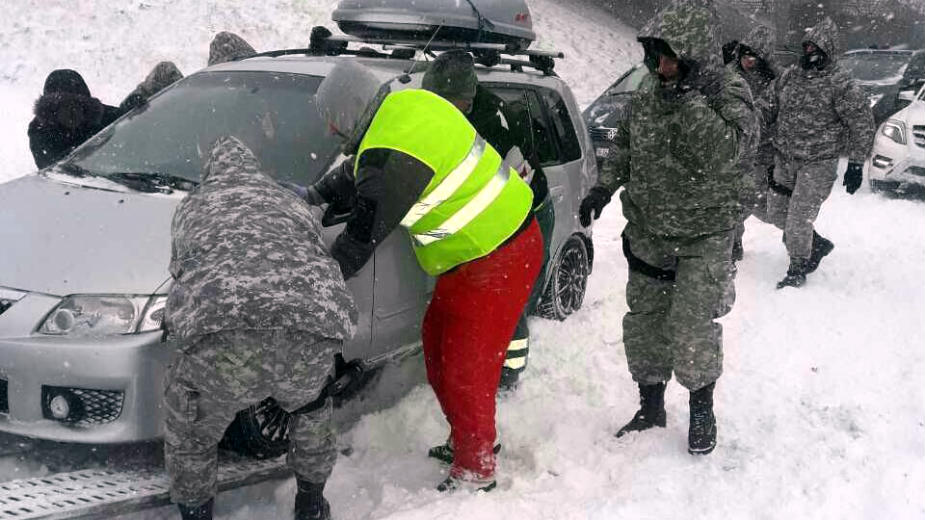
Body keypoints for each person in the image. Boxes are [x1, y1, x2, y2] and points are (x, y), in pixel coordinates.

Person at [290, 59, 542, 491]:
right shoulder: (404, 110)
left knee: (466, 366)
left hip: (499, 252)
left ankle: (476, 469)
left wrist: (308, 288)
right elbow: (359, 170)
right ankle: (469, 438)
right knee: (438, 346)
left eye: (333, 122)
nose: (331, 132)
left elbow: (358, 241)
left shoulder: (391, 156)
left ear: (350, 110)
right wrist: (314, 195)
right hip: (474, 254)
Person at [578, 2, 758, 455]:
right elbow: (626, 144)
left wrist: (689, 100)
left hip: (705, 234)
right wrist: (603, 187)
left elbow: (728, 151)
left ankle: (701, 409)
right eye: (655, 57)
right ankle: (651, 405)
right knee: (645, 322)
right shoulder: (648, 92)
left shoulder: (728, 92)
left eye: (671, 57)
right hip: (649, 229)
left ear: (694, 55)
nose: (661, 68)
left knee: (691, 324)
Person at [163, 132, 357, 520]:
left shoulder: (193, 206)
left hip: (223, 338)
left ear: (211, 172)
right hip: (311, 326)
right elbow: (309, 251)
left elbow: (182, 269)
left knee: (192, 432)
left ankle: (196, 514)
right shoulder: (288, 201)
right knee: (312, 409)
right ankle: (311, 502)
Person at [418, 50, 554, 392]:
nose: (442, 110)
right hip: (497, 214)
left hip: (526, 216)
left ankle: (508, 373)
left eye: (450, 102)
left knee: (509, 302)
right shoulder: (445, 112)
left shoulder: (493, 124)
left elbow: (486, 191)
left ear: (467, 98)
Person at [768, 17, 875, 288]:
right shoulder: (789, 76)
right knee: (777, 212)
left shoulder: (841, 84)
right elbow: (766, 106)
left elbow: (861, 123)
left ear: (828, 51)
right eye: (807, 48)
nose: (810, 54)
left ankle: (797, 267)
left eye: (816, 49)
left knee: (798, 218)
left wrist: (855, 164)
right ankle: (816, 245)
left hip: (819, 163)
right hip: (785, 158)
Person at [28, 63, 181, 169]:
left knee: (165, 70)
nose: (71, 112)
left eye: (77, 105)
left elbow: (120, 118)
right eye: (63, 107)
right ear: (51, 111)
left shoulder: (95, 114)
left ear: (86, 105)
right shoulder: (40, 130)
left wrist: (132, 108)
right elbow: (51, 168)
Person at [731, 25, 779, 261]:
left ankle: (804, 235)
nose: (748, 60)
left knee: (750, 199)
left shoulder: (773, 82)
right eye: (745, 55)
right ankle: (733, 241)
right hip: (731, 147)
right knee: (731, 197)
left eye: (754, 57)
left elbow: (772, 114)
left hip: (761, 151)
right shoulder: (728, 73)